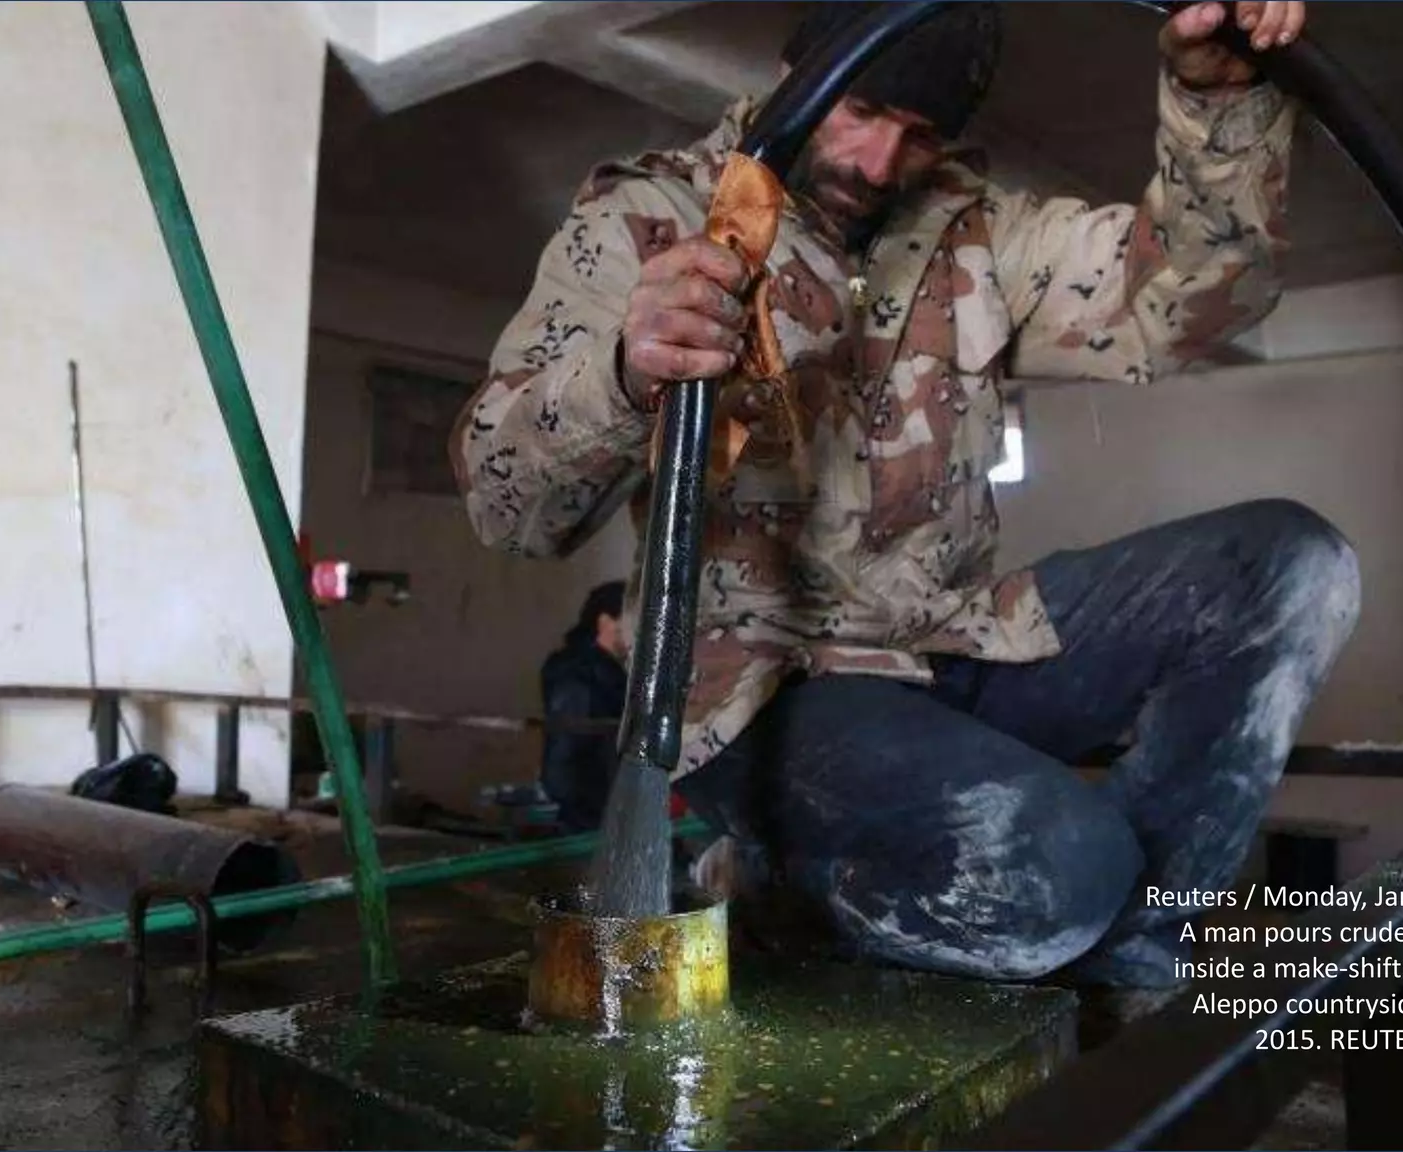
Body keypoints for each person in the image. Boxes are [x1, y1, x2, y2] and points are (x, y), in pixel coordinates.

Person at [454, 0, 1352, 1022]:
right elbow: (506, 511)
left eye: (919, 134)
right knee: (1055, 874)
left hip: (953, 642)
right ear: (796, 71)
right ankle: (783, 894)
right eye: (862, 112)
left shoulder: (980, 232)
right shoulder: (652, 218)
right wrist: (623, 372)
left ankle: (1126, 951)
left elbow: (1190, 299)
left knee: (1289, 564)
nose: (880, 164)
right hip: (765, 686)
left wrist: (1218, 104)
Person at [538, 581, 629, 832]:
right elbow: (568, 750)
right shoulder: (578, 674)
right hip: (591, 815)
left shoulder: (609, 671)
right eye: (633, 620)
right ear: (606, 622)